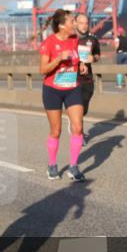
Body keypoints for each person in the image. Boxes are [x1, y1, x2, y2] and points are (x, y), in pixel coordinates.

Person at [39, 9, 89, 182]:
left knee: (78, 127)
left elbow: (77, 57)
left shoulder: (74, 39)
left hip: (72, 88)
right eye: (71, 21)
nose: (74, 24)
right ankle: (52, 165)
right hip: (52, 90)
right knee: (56, 130)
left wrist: (81, 65)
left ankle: (73, 167)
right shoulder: (48, 43)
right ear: (61, 26)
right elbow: (42, 69)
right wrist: (59, 58)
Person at [74, 13, 101, 144]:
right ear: (75, 23)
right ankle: (79, 133)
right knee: (78, 107)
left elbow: (97, 54)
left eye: (86, 23)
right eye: (81, 23)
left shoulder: (93, 39)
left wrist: (93, 58)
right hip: (72, 78)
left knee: (84, 108)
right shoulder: (69, 38)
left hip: (87, 79)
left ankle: (76, 121)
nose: (84, 26)